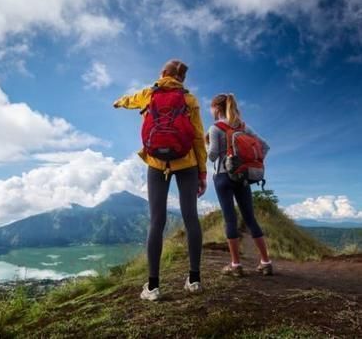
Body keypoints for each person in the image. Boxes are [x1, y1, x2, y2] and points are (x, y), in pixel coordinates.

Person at [113, 59, 207, 301]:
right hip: (187, 163)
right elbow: (197, 138)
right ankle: (194, 280)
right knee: (191, 219)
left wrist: (119, 102)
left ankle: (153, 287)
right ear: (181, 79)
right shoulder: (190, 100)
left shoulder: (148, 94)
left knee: (157, 221)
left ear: (163, 73)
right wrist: (203, 172)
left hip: (156, 164)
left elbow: (130, 100)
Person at [206, 93, 273, 277]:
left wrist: (208, 143)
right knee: (250, 218)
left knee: (230, 219)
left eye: (211, 107)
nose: (210, 111)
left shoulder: (215, 128)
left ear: (217, 108)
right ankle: (266, 263)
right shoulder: (244, 127)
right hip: (242, 176)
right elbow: (265, 146)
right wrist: (249, 162)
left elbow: (212, 155)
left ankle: (236, 265)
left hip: (222, 177)